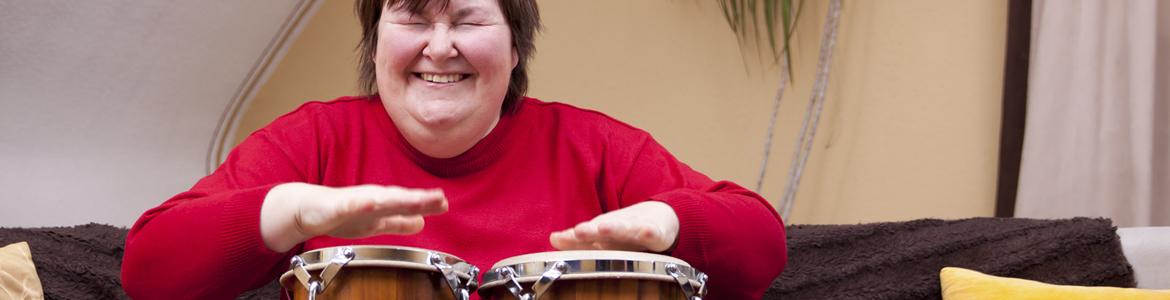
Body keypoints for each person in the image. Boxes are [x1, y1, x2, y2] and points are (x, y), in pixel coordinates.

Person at [120, 0, 787, 298]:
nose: (440, 47)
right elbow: (149, 271)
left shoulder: (592, 145)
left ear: (516, 45)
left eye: (468, 18)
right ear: (375, 38)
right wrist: (293, 212)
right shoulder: (312, 140)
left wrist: (667, 226)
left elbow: (761, 244)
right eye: (412, 15)